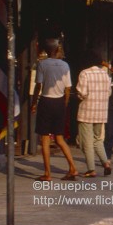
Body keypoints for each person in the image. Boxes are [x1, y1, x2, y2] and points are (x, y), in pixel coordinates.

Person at [31, 39, 78, 181]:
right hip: (59, 102)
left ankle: (47, 173)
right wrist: (65, 102)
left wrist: (34, 103)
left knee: (45, 138)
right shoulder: (65, 65)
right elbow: (68, 88)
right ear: (57, 50)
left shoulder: (42, 64)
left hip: (46, 101)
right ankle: (73, 167)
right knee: (59, 138)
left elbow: (38, 85)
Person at [76, 51, 112, 177]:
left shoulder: (84, 73)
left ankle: (91, 169)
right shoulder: (105, 75)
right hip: (101, 112)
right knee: (98, 140)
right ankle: (106, 163)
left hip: (86, 111)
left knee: (87, 142)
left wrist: (78, 95)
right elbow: (108, 93)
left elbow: (82, 92)